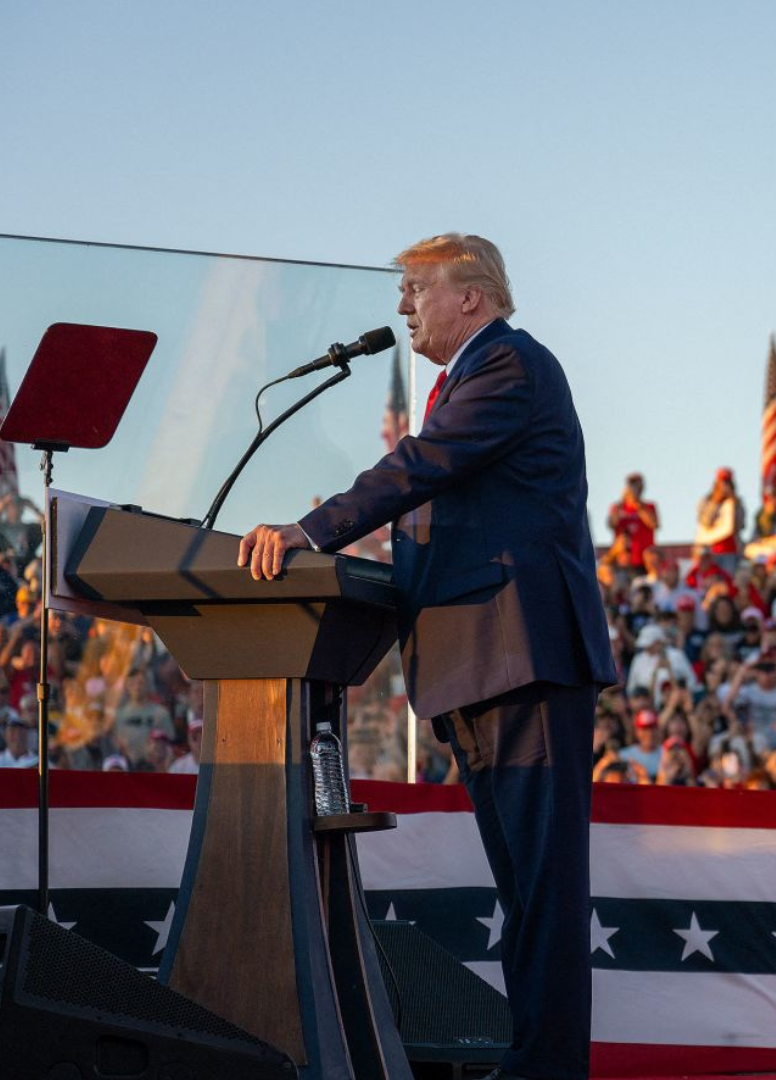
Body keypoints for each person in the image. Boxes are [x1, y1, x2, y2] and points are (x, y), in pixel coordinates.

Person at [239, 232, 615, 1080]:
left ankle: (548, 1067)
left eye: (416, 288)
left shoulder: (509, 367)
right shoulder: (466, 381)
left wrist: (311, 531)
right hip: (478, 662)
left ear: (470, 296)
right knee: (523, 890)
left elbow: (423, 466)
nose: (403, 305)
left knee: (544, 889)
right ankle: (537, 1060)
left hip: (524, 658)